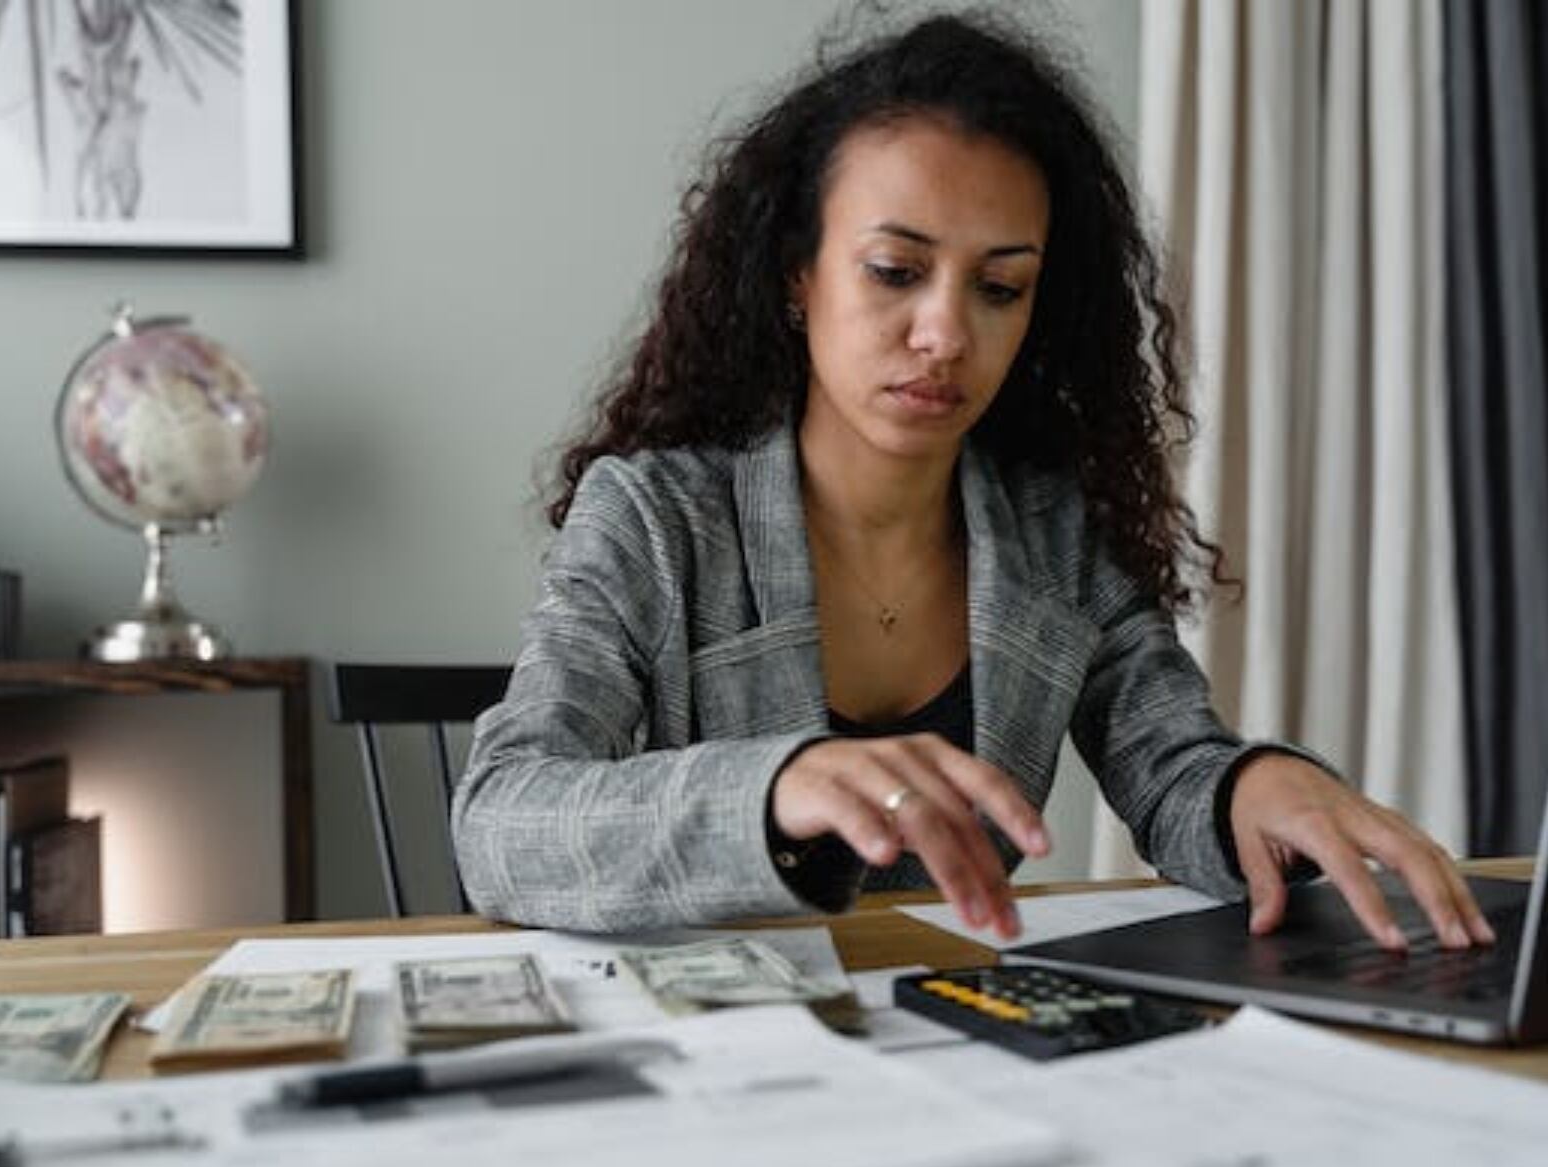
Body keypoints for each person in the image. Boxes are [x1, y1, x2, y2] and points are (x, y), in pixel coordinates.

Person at [452, 10, 1493, 951]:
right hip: (726, 1055)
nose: (946, 332)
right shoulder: (655, 517)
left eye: (1000, 287)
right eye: (895, 272)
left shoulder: (1049, 530)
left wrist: (1254, 784)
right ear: (796, 276)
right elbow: (501, 819)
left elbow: (1171, 766)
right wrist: (775, 787)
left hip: (962, 1035)